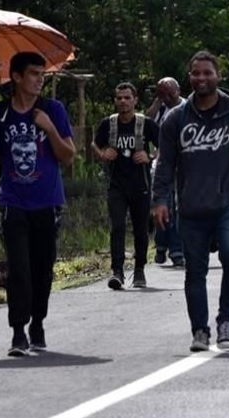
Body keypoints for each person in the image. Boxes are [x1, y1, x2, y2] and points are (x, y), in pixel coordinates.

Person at [152, 51, 229, 352]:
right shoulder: (176, 119)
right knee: (195, 271)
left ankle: (226, 321)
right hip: (190, 208)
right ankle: (200, 330)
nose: (201, 78)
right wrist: (160, 200)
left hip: (227, 203)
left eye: (207, 73)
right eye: (196, 73)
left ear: (218, 76)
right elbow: (165, 164)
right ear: (189, 77)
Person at [0, 52, 76, 357]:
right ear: (17, 77)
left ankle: (38, 322)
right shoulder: (1, 113)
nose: (39, 79)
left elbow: (68, 155)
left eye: (42, 74)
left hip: (47, 200)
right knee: (19, 267)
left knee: (42, 268)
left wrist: (48, 128)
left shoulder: (53, 110)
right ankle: (18, 330)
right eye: (33, 74)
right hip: (13, 200)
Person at [92, 82, 159, 290]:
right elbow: (93, 144)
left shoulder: (145, 123)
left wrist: (149, 156)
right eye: (119, 98)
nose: (123, 101)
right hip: (117, 186)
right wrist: (102, 154)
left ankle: (139, 270)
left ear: (135, 100)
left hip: (140, 185)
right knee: (118, 227)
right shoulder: (108, 124)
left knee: (140, 230)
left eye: (127, 98)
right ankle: (117, 272)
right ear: (115, 100)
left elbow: (164, 146)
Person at [144, 77, 185, 268]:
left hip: (184, 165)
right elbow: (146, 121)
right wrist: (159, 100)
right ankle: (161, 245)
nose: (168, 97)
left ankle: (177, 251)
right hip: (163, 165)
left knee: (178, 209)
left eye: (171, 93)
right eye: (163, 93)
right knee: (162, 208)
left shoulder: (187, 107)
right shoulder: (160, 109)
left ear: (178, 90)